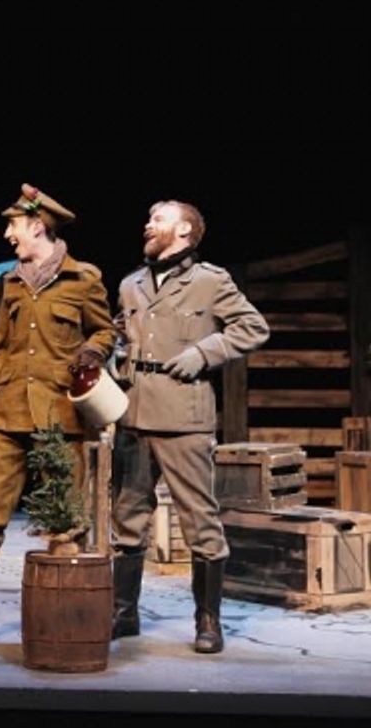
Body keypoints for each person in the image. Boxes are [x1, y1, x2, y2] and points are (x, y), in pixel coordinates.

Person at [0, 184, 115, 640]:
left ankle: (65, 614)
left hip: (59, 417)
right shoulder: (10, 282)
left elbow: (106, 332)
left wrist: (92, 350)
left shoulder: (83, 280)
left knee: (63, 515)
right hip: (8, 412)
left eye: (14, 225)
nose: (8, 234)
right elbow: (0, 349)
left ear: (36, 225)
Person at [110, 200, 269, 654]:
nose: (148, 224)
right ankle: (125, 613)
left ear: (183, 230)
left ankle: (208, 620)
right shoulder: (130, 284)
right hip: (134, 413)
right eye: (149, 218)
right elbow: (128, 336)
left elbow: (253, 328)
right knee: (126, 520)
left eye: (157, 219)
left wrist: (203, 354)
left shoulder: (210, 281)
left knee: (200, 521)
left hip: (184, 417)